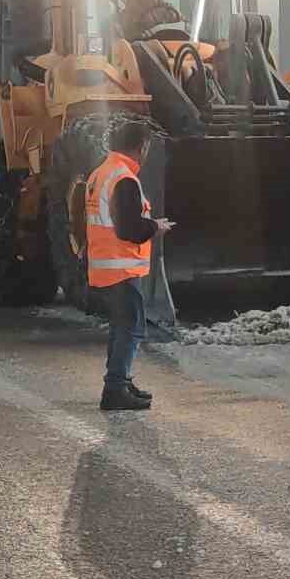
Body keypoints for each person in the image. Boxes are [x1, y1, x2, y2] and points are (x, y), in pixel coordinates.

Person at [84, 119, 174, 411]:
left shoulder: (100, 173)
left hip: (105, 267)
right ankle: (114, 389)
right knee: (131, 328)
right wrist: (155, 227)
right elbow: (128, 229)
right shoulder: (124, 178)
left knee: (120, 327)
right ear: (142, 147)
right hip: (120, 269)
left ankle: (119, 380)